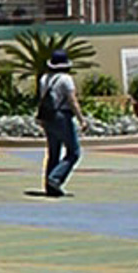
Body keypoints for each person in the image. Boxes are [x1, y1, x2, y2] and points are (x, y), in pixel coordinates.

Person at [38, 49, 88, 196]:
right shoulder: (66, 79)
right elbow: (72, 100)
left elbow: (42, 99)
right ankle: (55, 178)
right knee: (74, 152)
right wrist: (81, 119)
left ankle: (49, 184)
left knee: (53, 152)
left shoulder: (44, 79)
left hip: (48, 116)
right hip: (62, 116)